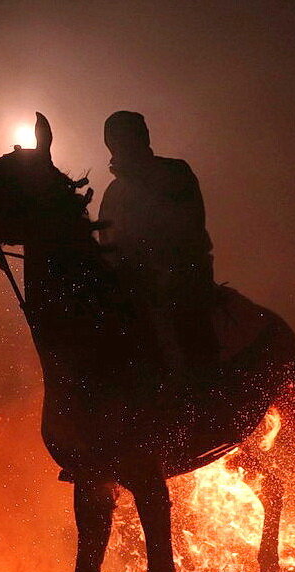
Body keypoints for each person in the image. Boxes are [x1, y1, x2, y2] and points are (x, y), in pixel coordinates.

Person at [98, 111, 220, 384]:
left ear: (141, 138)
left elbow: (188, 228)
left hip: (180, 277)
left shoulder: (174, 173)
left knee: (188, 328)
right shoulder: (113, 193)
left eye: (127, 137)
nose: (121, 145)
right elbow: (106, 245)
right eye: (116, 140)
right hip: (132, 285)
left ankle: (207, 388)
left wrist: (158, 268)